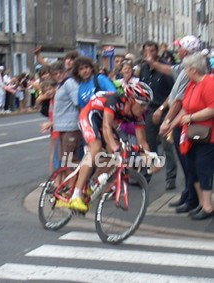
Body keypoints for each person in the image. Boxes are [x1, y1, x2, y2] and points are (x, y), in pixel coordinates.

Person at [68, 82, 152, 212]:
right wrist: (114, 148)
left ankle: (92, 183)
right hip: (91, 115)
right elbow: (106, 127)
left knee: (117, 156)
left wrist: (151, 158)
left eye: (146, 105)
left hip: (105, 122)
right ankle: (76, 195)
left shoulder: (139, 115)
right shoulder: (114, 101)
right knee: (96, 146)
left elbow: (142, 141)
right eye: (142, 105)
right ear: (130, 100)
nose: (144, 109)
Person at [145, 35, 201, 213]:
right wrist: (152, 61)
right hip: (180, 119)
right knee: (186, 160)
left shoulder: (190, 69)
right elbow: (169, 70)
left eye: (180, 47)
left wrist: (167, 121)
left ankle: (193, 198)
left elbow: (178, 100)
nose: (177, 50)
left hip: (183, 120)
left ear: (187, 50)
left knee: (188, 160)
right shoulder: (184, 66)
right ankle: (188, 193)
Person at [168, 53, 214, 220]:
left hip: (207, 135)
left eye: (186, 68)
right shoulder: (192, 85)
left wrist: (192, 117)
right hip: (191, 133)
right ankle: (202, 203)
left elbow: (212, 108)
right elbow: (185, 107)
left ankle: (208, 206)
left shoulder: (209, 82)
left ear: (193, 70)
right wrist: (171, 124)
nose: (185, 71)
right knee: (192, 167)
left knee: (203, 168)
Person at [140, 40, 177, 189]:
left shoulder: (164, 67)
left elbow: (174, 92)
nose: (149, 54)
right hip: (149, 109)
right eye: (146, 51)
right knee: (149, 145)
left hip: (165, 109)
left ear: (157, 52)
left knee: (168, 146)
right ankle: (146, 176)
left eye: (152, 51)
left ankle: (171, 178)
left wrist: (161, 109)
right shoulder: (143, 68)